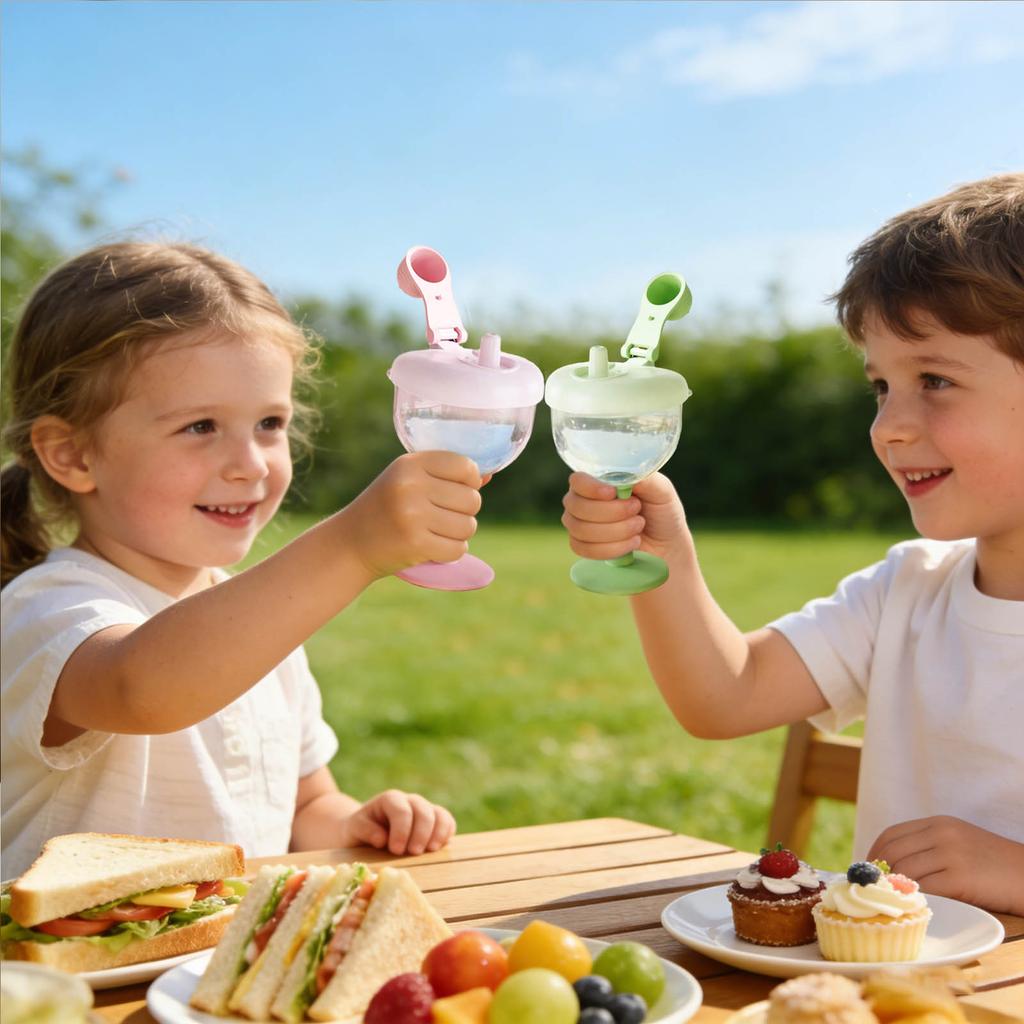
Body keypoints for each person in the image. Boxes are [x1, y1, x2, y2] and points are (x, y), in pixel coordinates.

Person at [560, 174, 1024, 915]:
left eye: (933, 379)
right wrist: (664, 558)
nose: (888, 426)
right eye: (881, 386)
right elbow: (725, 694)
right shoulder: (905, 593)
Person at [1, 241, 482, 878]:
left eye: (270, 423)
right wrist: (351, 545)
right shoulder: (44, 608)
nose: (250, 464)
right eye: (201, 426)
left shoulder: (261, 626)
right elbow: (143, 689)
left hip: (219, 972)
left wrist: (354, 822)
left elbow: (305, 803)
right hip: (59, 976)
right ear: (73, 456)